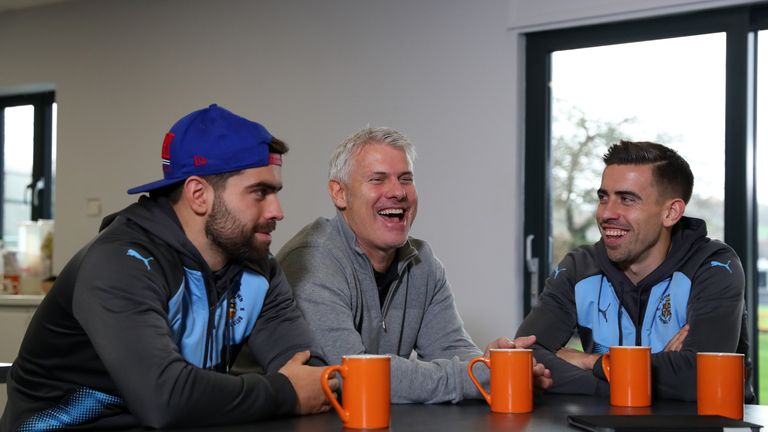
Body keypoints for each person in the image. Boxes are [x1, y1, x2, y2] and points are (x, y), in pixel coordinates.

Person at [1, 104, 335, 430]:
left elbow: (313, 374)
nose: (278, 211)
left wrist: (300, 387)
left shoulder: (258, 268)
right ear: (198, 195)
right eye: (259, 192)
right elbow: (165, 398)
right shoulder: (120, 263)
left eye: (275, 192)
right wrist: (285, 391)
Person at [277, 127, 551, 404]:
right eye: (378, 179)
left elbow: (450, 347)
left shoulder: (422, 261)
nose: (397, 192)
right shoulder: (311, 261)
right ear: (339, 194)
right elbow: (352, 376)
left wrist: (494, 366)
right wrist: (485, 375)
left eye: (405, 179)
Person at [516, 140, 754, 402]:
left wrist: (590, 362)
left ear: (671, 212)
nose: (607, 213)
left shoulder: (713, 266)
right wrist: (655, 377)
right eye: (603, 197)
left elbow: (699, 380)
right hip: (603, 424)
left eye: (627, 199)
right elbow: (525, 357)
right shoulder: (578, 267)